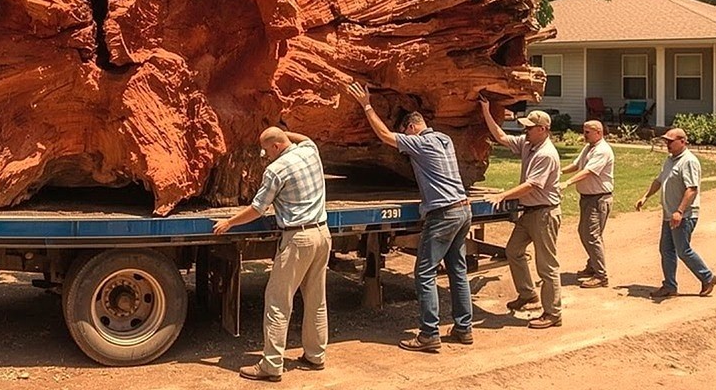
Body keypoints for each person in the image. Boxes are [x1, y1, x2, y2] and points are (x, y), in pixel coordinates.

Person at [346, 83, 472, 351]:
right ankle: (464, 328)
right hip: (463, 209)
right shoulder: (444, 139)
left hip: (443, 213)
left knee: (425, 272)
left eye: (406, 133)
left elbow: (384, 136)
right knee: (457, 271)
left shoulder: (421, 142)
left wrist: (366, 104)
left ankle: (429, 334)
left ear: (411, 128)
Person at [214, 126, 330, 382]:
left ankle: (271, 365)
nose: (265, 155)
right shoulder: (310, 151)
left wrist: (229, 222)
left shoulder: (276, 169)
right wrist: (287, 132)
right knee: (316, 299)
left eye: (267, 150)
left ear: (276, 146)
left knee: (278, 302)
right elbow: (306, 137)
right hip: (322, 233)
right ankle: (315, 355)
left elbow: (258, 208)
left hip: (297, 239)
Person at [478, 101, 562, 329]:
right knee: (513, 250)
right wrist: (486, 110)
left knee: (547, 266)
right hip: (530, 212)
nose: (525, 131)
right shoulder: (528, 144)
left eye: (529, 127)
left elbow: (532, 185)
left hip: (544, 213)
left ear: (542, 130)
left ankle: (553, 314)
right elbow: (501, 137)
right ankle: (527, 294)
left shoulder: (546, 154)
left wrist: (502, 196)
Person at [636, 127, 716, 299]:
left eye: (670, 141)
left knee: (683, 250)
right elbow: (659, 180)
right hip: (670, 213)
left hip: (684, 215)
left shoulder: (689, 161)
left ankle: (707, 277)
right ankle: (669, 286)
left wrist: (680, 211)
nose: (667, 144)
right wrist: (645, 197)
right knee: (666, 249)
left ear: (682, 141)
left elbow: (691, 189)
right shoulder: (670, 160)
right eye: (666, 141)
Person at [558, 120, 614, 288]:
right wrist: (559, 171)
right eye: (584, 131)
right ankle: (592, 266)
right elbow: (577, 165)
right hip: (588, 198)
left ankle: (601, 275)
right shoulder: (589, 147)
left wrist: (567, 183)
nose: (584, 135)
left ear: (598, 132)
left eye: (587, 132)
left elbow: (589, 171)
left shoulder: (602, 150)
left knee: (591, 235)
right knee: (586, 233)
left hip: (598, 199)